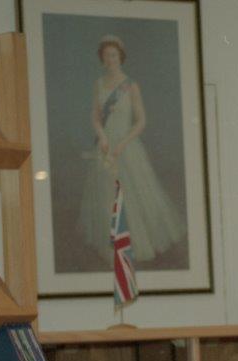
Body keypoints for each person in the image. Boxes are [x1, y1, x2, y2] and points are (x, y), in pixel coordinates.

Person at [77, 35, 184, 267]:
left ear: (120, 57)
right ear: (102, 59)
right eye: (106, 56)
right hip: (105, 147)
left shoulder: (130, 85)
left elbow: (141, 121)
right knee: (107, 196)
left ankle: (135, 243)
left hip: (126, 147)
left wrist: (123, 143)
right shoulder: (98, 84)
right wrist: (102, 136)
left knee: (132, 196)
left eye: (114, 55)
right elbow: (95, 116)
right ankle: (113, 246)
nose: (110, 59)